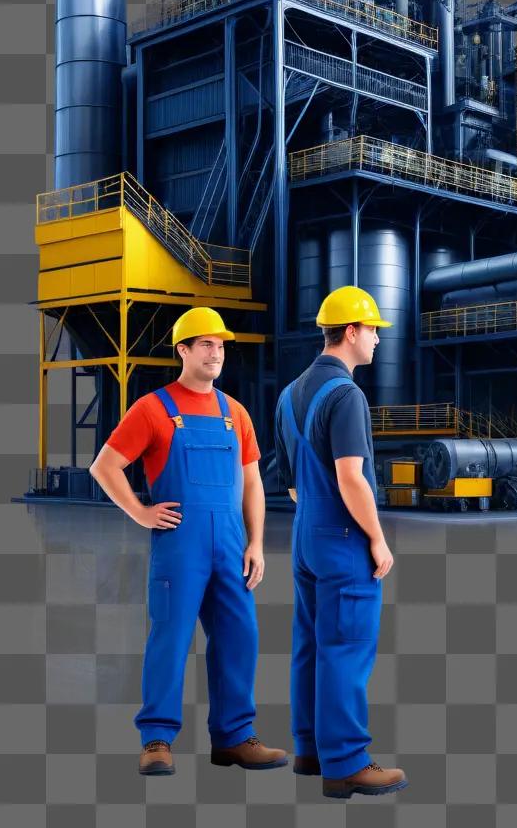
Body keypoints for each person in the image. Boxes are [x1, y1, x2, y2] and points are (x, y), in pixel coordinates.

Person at [90, 306, 287, 777]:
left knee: (240, 638)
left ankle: (235, 738)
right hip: (180, 546)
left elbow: (253, 483)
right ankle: (156, 739)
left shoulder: (234, 413)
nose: (216, 353)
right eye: (206, 344)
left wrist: (256, 543)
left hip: (232, 546)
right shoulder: (154, 408)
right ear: (183, 349)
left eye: (220, 346)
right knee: (171, 638)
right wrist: (140, 512)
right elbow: (105, 466)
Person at [274, 285, 407, 799]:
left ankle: (310, 749)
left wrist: (318, 515)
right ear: (350, 332)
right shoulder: (347, 395)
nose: (377, 339)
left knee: (309, 642)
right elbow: (352, 477)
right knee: (347, 647)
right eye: (373, 330)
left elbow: (287, 479)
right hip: (344, 536)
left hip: (307, 532)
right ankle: (347, 762)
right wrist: (377, 538)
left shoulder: (289, 395)